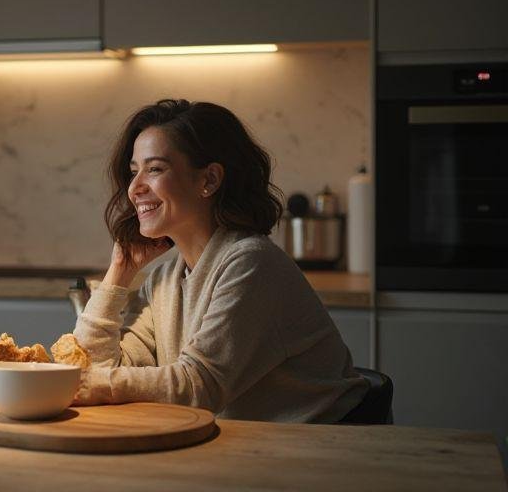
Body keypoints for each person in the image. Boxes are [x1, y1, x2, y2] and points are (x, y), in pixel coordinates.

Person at [73, 99, 367, 422]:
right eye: (134, 171)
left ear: (209, 180)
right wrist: (120, 270)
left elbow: (200, 385)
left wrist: (88, 382)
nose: (134, 189)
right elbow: (93, 368)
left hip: (325, 448)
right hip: (251, 448)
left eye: (154, 169)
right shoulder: (164, 280)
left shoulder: (251, 264)